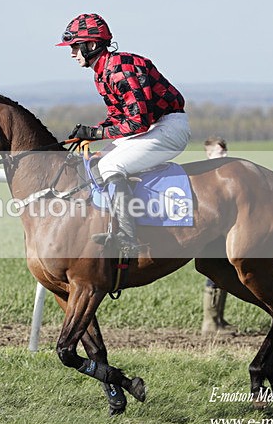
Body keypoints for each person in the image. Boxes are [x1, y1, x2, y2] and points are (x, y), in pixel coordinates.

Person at [57, 13, 190, 255]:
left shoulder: (120, 68)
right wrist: (90, 133)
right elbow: (119, 118)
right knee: (96, 161)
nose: (72, 53)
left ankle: (129, 237)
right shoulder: (103, 72)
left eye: (76, 47)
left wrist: (97, 132)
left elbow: (137, 122)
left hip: (168, 128)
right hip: (152, 127)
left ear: (92, 45)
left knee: (111, 165)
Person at [201, 136, 232, 335]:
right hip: (210, 233)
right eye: (221, 152)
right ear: (209, 154)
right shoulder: (206, 176)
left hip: (221, 230)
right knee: (214, 275)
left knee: (223, 273)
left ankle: (218, 319)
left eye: (225, 152)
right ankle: (210, 323)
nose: (225, 156)